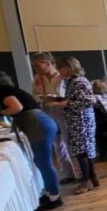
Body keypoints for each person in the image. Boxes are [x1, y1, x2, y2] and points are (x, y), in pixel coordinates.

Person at [0, 71, 62, 211]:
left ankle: (55, 197)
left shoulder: (4, 92)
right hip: (43, 123)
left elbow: (17, 107)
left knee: (44, 163)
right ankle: (50, 191)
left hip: (38, 126)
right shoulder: (14, 90)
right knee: (40, 161)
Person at [49, 56, 100, 194]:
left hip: (81, 121)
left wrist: (67, 104)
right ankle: (92, 178)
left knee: (81, 152)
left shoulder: (78, 81)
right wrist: (61, 100)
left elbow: (90, 100)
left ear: (68, 67)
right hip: (79, 119)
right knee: (84, 151)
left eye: (61, 69)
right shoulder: (72, 81)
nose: (60, 72)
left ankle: (85, 182)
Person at [31, 51, 78, 183]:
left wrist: (56, 98)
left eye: (38, 65)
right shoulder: (37, 78)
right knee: (57, 143)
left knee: (69, 141)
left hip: (63, 111)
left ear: (48, 63)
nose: (37, 68)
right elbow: (34, 94)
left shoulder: (62, 76)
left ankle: (80, 172)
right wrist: (41, 98)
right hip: (47, 110)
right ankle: (68, 173)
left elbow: (69, 95)